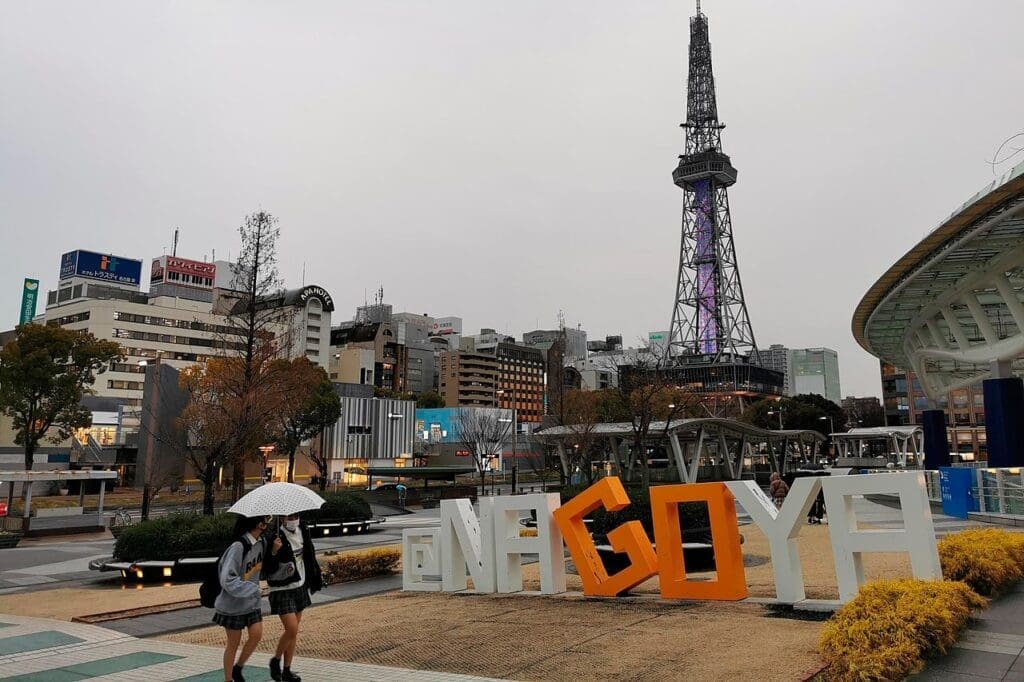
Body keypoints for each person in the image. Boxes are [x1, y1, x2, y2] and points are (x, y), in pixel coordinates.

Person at [214, 515, 281, 682]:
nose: (268, 523)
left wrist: (273, 551)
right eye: (266, 520)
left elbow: (265, 568)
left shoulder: (262, 543)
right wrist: (253, 588)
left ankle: (239, 667)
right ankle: (228, 679)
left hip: (251, 603)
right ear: (259, 524)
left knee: (256, 635)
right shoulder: (238, 546)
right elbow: (227, 579)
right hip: (233, 604)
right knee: (233, 643)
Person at [263, 513, 323, 682]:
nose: (293, 520)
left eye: (295, 516)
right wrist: (274, 551)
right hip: (282, 588)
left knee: (293, 633)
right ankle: (275, 661)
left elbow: (309, 555)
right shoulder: (274, 536)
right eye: (289, 517)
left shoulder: (303, 530)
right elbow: (267, 568)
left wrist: (315, 577)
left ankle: (287, 670)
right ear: (281, 518)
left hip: (300, 585)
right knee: (292, 629)